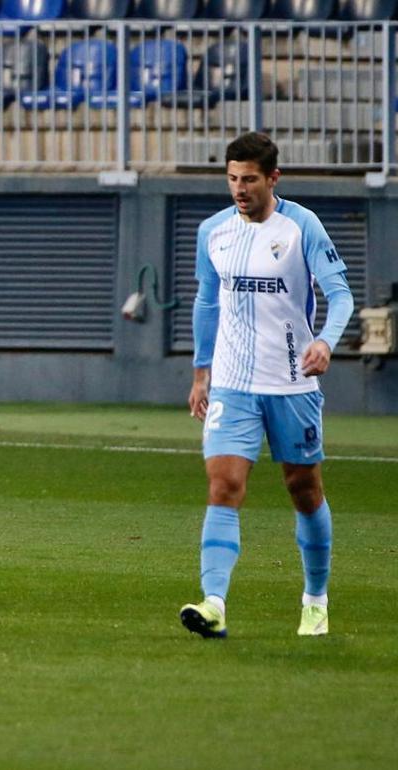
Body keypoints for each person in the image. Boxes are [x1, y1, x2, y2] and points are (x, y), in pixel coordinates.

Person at [181, 132, 354, 639]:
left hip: (291, 383)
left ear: (273, 178)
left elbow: (340, 295)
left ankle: (315, 600)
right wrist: (200, 371)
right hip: (233, 384)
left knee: (304, 491)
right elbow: (206, 303)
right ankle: (214, 604)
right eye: (232, 178)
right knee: (223, 486)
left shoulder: (301, 226)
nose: (239, 188)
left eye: (250, 179)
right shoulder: (213, 231)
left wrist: (325, 341)